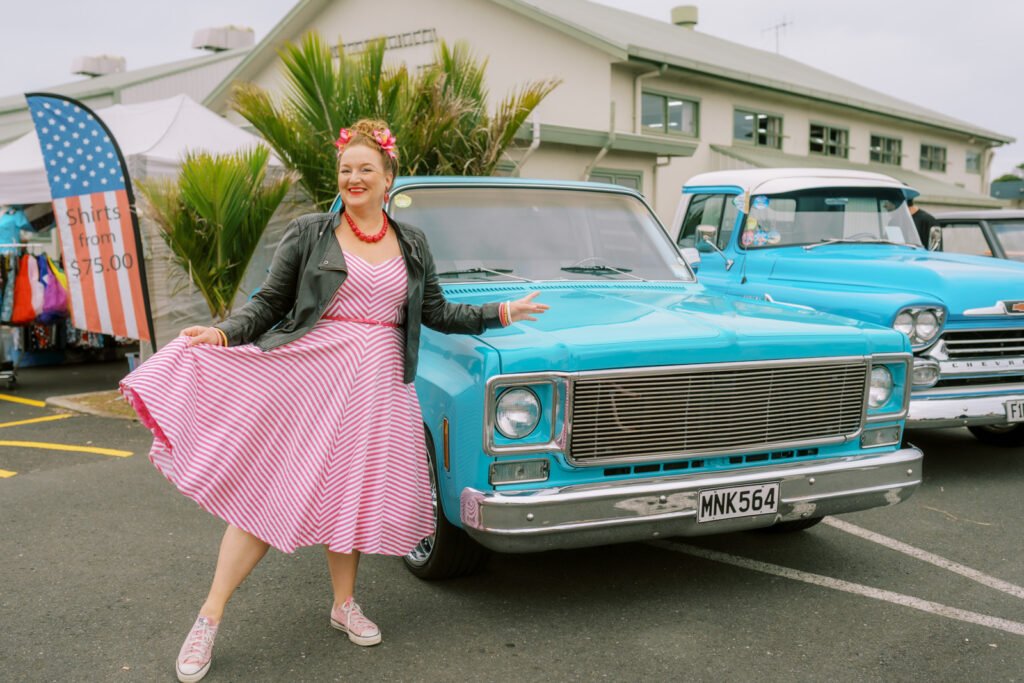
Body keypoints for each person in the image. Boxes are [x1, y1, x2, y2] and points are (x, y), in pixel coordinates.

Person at [120, 119, 549, 683]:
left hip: (378, 388)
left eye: (366, 169)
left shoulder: (412, 242)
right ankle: (208, 617)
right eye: (346, 169)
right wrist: (223, 333)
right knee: (270, 495)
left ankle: (344, 604)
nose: (354, 178)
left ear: (388, 178)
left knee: (350, 497)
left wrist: (502, 312)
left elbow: (436, 313)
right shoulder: (310, 232)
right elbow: (269, 302)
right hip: (313, 377)